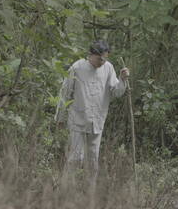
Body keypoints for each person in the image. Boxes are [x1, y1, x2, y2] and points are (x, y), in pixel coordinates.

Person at [55, 40, 130, 189]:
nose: (102, 62)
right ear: (91, 55)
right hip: (78, 119)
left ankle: (89, 194)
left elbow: (116, 92)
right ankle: (65, 189)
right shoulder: (77, 68)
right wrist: (60, 117)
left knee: (93, 161)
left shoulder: (108, 68)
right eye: (100, 58)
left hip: (97, 120)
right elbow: (65, 92)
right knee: (76, 158)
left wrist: (122, 79)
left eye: (105, 58)